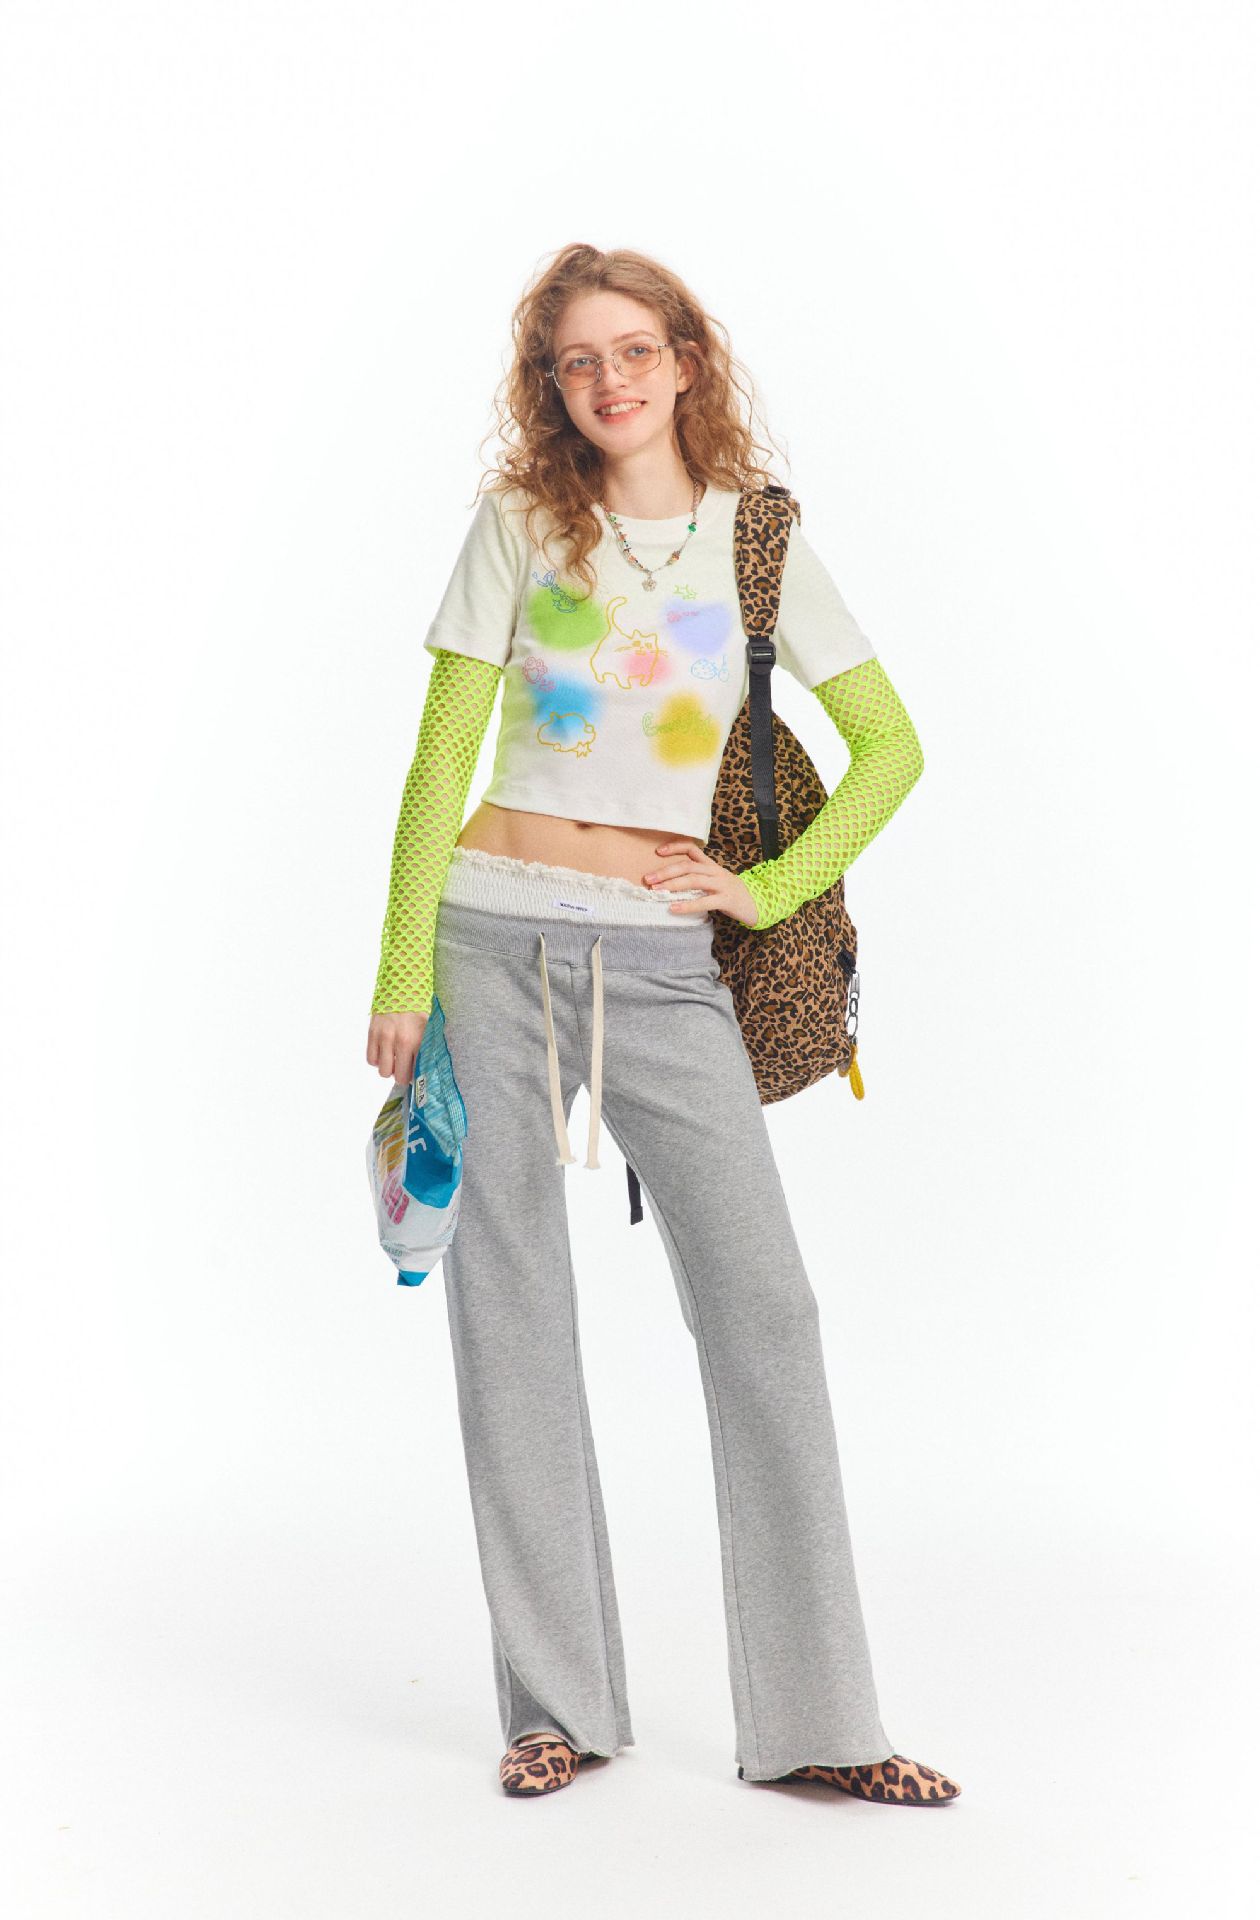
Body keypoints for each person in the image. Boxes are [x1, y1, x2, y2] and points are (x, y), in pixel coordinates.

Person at [365, 242, 961, 1805]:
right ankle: (555, 1707)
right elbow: (440, 762)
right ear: (551, 385)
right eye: (577, 359)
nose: (608, 379)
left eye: (634, 349)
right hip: (491, 933)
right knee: (508, 1304)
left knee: (766, 1312)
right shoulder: (519, 523)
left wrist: (766, 888)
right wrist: (402, 971)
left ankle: (824, 1724)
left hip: (660, 956)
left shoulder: (756, 542)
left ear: (687, 360)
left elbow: (893, 747)